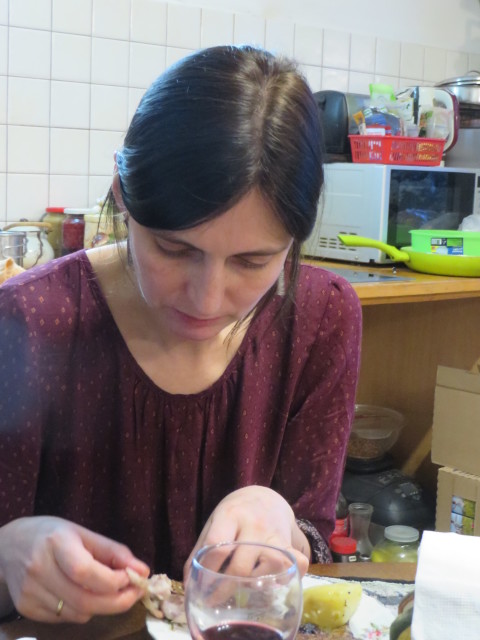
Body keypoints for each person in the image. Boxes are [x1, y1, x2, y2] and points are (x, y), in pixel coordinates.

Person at [0, 44, 362, 624]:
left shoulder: (321, 319)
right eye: (174, 249)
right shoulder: (31, 321)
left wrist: (280, 518)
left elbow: (311, 542)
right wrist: (8, 554)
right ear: (123, 197)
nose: (207, 299)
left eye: (251, 262)